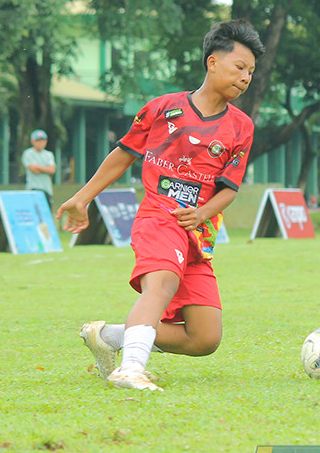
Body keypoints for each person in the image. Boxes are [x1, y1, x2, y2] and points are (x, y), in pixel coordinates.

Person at [57, 19, 265, 391]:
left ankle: (109, 336)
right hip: (158, 217)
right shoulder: (162, 108)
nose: (246, 77)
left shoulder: (242, 127)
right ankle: (131, 368)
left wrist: (202, 213)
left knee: (204, 338)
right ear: (212, 62)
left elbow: (230, 188)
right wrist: (81, 198)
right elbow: (122, 157)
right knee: (162, 284)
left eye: (251, 71)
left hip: (197, 234)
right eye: (240, 67)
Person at [21, 129, 56, 210]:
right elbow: (34, 170)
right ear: (32, 141)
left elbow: (52, 170)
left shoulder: (49, 154)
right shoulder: (28, 153)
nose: (40, 143)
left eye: (42, 140)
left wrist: (38, 167)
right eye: (38, 141)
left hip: (47, 189)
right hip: (33, 188)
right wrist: (46, 169)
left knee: (47, 214)